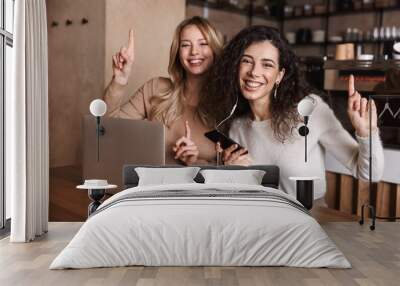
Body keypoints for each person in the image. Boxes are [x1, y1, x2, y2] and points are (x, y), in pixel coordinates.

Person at [201, 25, 384, 199]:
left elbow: (370, 174)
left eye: (267, 64)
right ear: (236, 67)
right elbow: (248, 194)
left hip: (308, 221)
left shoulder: (311, 110)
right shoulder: (237, 127)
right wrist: (231, 171)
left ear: (279, 76)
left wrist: (367, 133)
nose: (254, 72)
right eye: (247, 61)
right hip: (262, 222)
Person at [103, 16, 223, 165]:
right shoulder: (156, 89)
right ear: (177, 52)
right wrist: (119, 80)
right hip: (149, 186)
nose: (194, 52)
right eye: (186, 45)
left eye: (203, 43)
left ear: (215, 49)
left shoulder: (226, 105)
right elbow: (107, 127)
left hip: (197, 188)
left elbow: (230, 170)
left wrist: (194, 162)